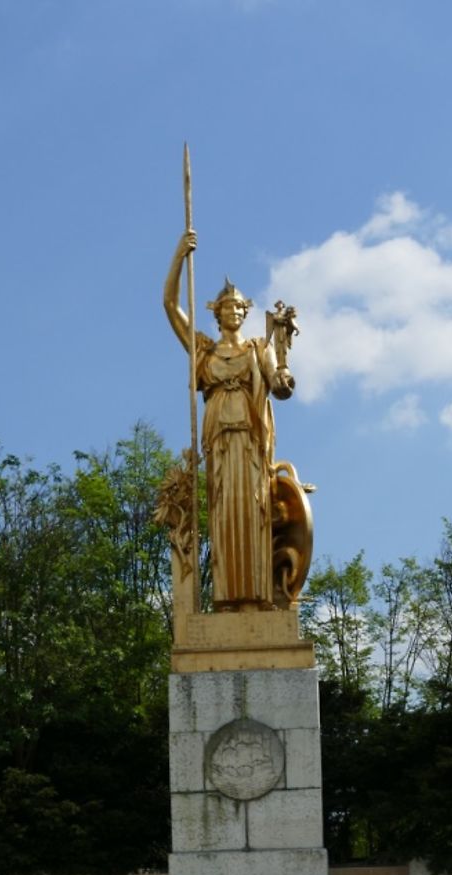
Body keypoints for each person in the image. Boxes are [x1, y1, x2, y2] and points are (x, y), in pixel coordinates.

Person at [164, 230, 295, 611]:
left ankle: (258, 599)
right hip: (220, 442)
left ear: (246, 312)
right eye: (227, 307)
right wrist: (179, 256)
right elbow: (171, 305)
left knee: (254, 514)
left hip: (252, 446)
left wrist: (285, 375)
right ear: (216, 312)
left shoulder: (260, 349)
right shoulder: (204, 349)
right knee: (223, 517)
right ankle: (225, 600)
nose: (233, 312)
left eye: (239, 308)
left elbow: (279, 387)